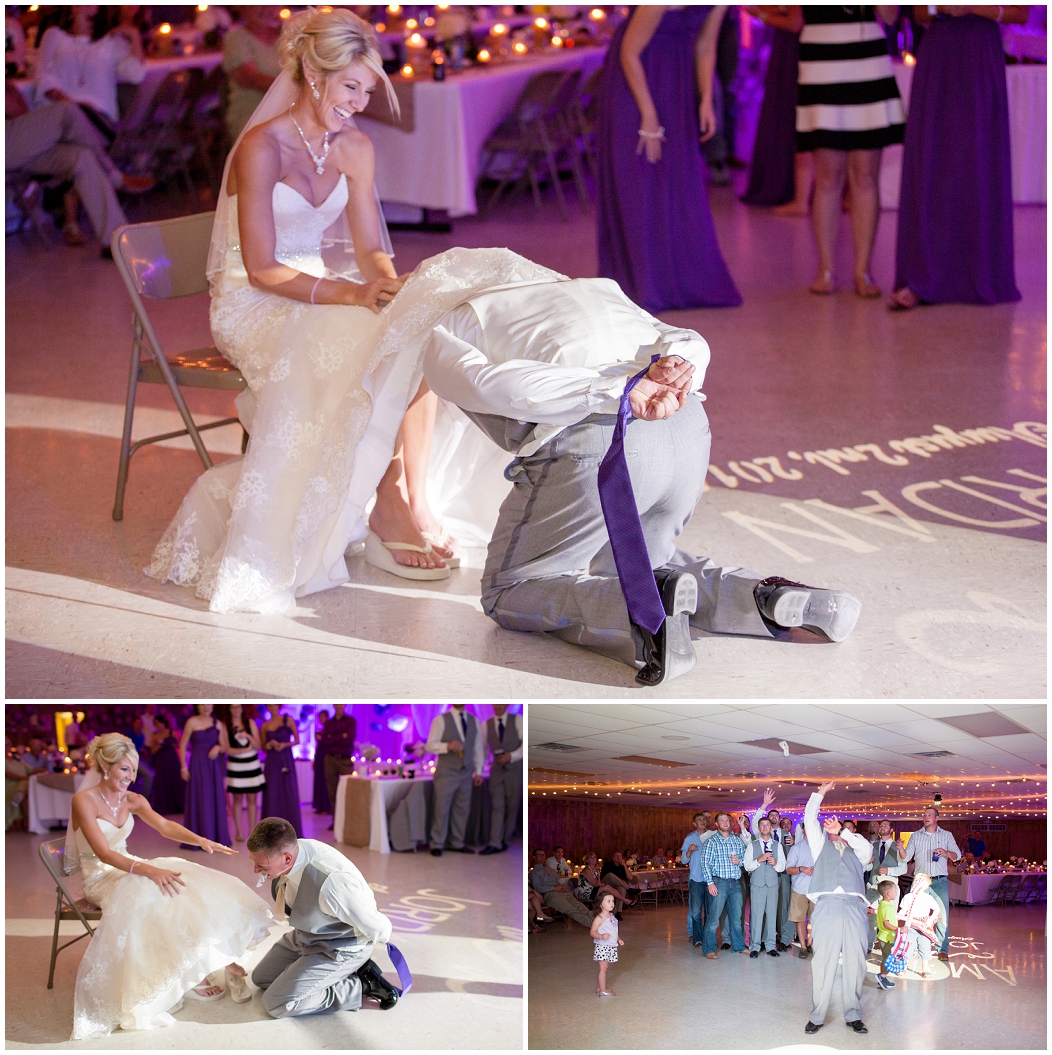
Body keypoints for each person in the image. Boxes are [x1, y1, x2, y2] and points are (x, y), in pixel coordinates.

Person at [148, 8, 491, 615]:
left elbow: (369, 249)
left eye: (366, 89)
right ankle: (387, 501)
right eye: (349, 87)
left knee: (415, 324)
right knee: (371, 331)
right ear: (311, 71)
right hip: (254, 301)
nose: (358, 103)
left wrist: (385, 284)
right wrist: (357, 295)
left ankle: (412, 497)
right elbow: (260, 270)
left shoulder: (356, 148)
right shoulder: (261, 147)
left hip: (319, 285)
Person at [422, 275, 862, 687]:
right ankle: (769, 597)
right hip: (688, 426)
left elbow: (486, 383)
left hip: (604, 440)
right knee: (632, 561)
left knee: (512, 589)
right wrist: (676, 370)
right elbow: (687, 343)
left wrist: (609, 389)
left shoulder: (456, 319)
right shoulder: (598, 290)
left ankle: (646, 611)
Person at [66, 733, 273, 1040]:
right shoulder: (83, 801)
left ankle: (203, 959)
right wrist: (149, 871)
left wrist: (201, 840)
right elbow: (104, 854)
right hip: (100, 876)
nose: (131, 777)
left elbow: (164, 826)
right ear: (104, 765)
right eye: (124, 769)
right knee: (156, 890)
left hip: (130, 865)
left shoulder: (133, 800)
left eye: (134, 770)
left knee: (184, 881)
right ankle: (183, 972)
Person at [595, 5, 742, 312]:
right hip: (636, 82)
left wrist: (705, 100)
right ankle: (642, 284)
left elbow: (705, 46)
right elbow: (629, 52)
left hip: (676, 82)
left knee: (677, 178)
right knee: (639, 179)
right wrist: (648, 115)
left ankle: (681, 279)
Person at [890, 5, 1026, 310]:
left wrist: (973, 7)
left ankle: (981, 273)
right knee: (932, 164)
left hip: (980, 54)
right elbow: (919, 14)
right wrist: (940, 7)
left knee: (976, 162)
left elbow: (1021, 13)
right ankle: (921, 277)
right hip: (938, 55)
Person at [794, 5, 904, 297]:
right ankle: (826, 270)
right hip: (820, 59)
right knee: (828, 176)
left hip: (867, 57)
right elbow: (790, 15)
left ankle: (863, 272)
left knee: (866, 173)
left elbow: (891, 16)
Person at [246, 816, 399, 1017]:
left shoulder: (333, 885)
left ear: (287, 858)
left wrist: (351, 953)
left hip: (338, 946)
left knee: (276, 1003)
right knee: (261, 978)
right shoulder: (293, 850)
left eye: (262, 866)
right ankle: (326, 974)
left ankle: (360, 985)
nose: (256, 870)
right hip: (306, 935)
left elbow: (379, 928)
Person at [4, 86, 150, 250]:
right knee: (67, 111)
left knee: (81, 157)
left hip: (13, 147)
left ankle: (115, 240)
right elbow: (16, 109)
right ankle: (114, 175)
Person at [802, 779, 873, 1036]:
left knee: (856, 961)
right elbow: (810, 820)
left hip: (854, 906)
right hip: (827, 906)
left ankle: (853, 1014)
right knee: (823, 960)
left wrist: (844, 832)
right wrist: (820, 793)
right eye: (834, 828)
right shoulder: (821, 846)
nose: (839, 831)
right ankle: (818, 1015)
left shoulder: (861, 851)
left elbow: (865, 846)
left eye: (846, 829)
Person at [34, 4, 146, 137]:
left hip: (98, 117)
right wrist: (71, 104)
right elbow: (43, 75)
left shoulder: (109, 42)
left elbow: (136, 74)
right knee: (75, 151)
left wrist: (134, 35)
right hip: (62, 114)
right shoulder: (54, 35)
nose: (86, 6)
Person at [741, 6, 812, 213]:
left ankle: (799, 197)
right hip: (793, 49)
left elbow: (795, 22)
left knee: (794, 120)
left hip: (794, 51)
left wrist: (761, 15)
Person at [424, 704, 484, 855]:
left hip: (466, 772)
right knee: (441, 808)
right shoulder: (440, 720)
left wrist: (478, 771)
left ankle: (456, 842)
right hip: (446, 772)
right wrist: (447, 746)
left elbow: (477, 748)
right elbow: (429, 746)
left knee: (462, 809)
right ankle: (437, 843)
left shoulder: (474, 720)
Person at [902, 806, 960, 961]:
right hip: (920, 881)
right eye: (924, 815)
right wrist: (900, 848)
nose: (926, 817)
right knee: (916, 915)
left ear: (936, 818)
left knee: (942, 916)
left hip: (940, 880)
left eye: (929, 815)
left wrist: (947, 853)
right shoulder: (915, 836)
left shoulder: (947, 835)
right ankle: (915, 946)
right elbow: (906, 857)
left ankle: (942, 949)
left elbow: (957, 855)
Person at [222, 5, 283, 142]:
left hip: (289, 117)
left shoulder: (288, 37)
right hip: (254, 117)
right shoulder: (236, 38)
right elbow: (249, 78)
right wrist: (298, 89)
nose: (267, 7)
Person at [178, 704, 231, 848]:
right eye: (202, 704)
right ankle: (198, 839)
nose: (206, 706)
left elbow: (226, 746)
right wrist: (183, 767)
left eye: (208, 703)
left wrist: (218, 747)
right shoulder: (192, 722)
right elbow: (183, 745)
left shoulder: (218, 723)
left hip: (213, 767)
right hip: (197, 765)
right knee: (199, 798)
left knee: (213, 798)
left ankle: (215, 837)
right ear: (197, 706)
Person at [700, 811, 748, 958]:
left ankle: (739, 946)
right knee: (714, 918)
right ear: (717, 824)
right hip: (719, 882)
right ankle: (709, 949)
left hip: (735, 883)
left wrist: (740, 861)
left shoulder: (737, 840)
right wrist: (710, 883)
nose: (726, 823)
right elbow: (704, 864)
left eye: (727, 820)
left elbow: (746, 858)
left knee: (736, 918)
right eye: (722, 820)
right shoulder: (711, 841)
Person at [218, 703, 265, 842]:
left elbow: (258, 746)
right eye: (233, 707)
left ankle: (252, 832)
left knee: (252, 799)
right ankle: (239, 832)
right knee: (237, 800)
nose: (237, 710)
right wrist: (243, 750)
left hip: (252, 764)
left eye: (238, 707)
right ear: (229, 709)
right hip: (235, 765)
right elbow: (226, 748)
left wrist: (248, 736)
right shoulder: (225, 725)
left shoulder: (250, 723)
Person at [480, 704, 522, 855]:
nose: (497, 706)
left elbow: (525, 744)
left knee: (512, 805)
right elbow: (483, 749)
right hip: (497, 770)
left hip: (516, 769)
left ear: (506, 704)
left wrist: (512, 755)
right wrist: (479, 770)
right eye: (495, 703)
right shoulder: (486, 725)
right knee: (497, 805)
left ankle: (505, 839)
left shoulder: (518, 720)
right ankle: (495, 843)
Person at [745, 815, 786, 957]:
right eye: (762, 825)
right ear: (759, 827)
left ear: (770, 827)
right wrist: (759, 859)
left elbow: (782, 866)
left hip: (773, 884)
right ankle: (755, 946)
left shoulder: (778, 845)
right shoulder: (752, 845)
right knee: (756, 915)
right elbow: (747, 866)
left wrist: (775, 863)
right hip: (757, 885)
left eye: (767, 825)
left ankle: (770, 946)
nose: (764, 827)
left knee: (772, 914)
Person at [260, 705, 303, 837]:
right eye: (269, 704)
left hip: (286, 759)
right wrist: (270, 744)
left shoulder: (287, 720)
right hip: (272, 761)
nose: (272, 706)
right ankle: (271, 831)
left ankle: (291, 829)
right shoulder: (265, 725)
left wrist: (284, 744)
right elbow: (263, 747)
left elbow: (297, 740)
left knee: (289, 791)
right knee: (272, 792)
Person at [529, 848, 595, 928]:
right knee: (572, 910)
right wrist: (554, 888)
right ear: (534, 857)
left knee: (580, 906)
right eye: (539, 855)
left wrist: (561, 886)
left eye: (543, 855)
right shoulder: (534, 873)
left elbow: (558, 880)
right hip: (550, 895)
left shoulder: (549, 869)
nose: (542, 857)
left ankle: (598, 921)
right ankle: (594, 925)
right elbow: (538, 888)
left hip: (562, 892)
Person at [896, 872, 943, 979]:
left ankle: (925, 967)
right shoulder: (908, 897)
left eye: (922, 882)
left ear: (926, 886)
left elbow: (937, 909)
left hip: (924, 928)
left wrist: (930, 920)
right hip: (910, 926)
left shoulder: (928, 898)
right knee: (907, 946)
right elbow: (904, 910)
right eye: (917, 881)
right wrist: (898, 916)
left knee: (925, 947)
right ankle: (904, 965)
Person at [866, 819, 906, 945]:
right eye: (881, 825)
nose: (883, 827)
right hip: (873, 886)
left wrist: (888, 870)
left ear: (891, 830)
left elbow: (903, 869)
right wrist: (867, 864)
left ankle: (890, 944)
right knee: (869, 916)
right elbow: (868, 868)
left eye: (886, 826)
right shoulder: (872, 846)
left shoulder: (897, 846)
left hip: (890, 889)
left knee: (889, 917)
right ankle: (869, 944)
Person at [682, 812, 715, 947]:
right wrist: (689, 851)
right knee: (696, 911)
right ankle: (697, 939)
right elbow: (684, 859)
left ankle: (707, 937)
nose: (702, 821)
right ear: (695, 824)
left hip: (711, 880)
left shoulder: (713, 836)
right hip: (696, 880)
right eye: (699, 820)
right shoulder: (690, 838)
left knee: (709, 910)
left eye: (704, 819)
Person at [319, 704, 356, 820]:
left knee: (349, 791)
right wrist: (341, 736)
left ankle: (348, 819)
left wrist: (333, 737)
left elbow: (349, 740)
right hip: (330, 759)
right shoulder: (329, 723)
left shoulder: (350, 721)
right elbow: (325, 741)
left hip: (345, 759)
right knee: (332, 792)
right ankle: (336, 821)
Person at [783, 827, 814, 957]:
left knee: (815, 920)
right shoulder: (797, 848)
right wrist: (801, 868)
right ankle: (802, 946)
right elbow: (788, 869)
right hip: (800, 889)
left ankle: (810, 944)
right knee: (799, 919)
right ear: (802, 830)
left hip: (816, 890)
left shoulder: (821, 847)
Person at [148, 713, 184, 815]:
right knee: (163, 782)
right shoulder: (155, 736)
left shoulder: (173, 733)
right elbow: (152, 751)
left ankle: (178, 805)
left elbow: (180, 744)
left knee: (175, 781)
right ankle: (164, 807)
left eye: (159, 723)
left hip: (172, 759)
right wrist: (158, 747)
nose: (158, 725)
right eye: (156, 724)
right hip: (161, 760)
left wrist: (173, 744)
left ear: (164, 723)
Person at [591, 892, 624, 997]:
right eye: (608, 901)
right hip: (603, 946)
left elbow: (614, 930)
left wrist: (618, 939)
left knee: (606, 967)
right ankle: (603, 991)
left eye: (613, 901)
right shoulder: (599, 918)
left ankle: (600, 987)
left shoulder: (611, 916)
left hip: (611, 946)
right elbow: (592, 932)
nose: (612, 903)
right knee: (603, 968)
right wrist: (601, 936)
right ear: (601, 904)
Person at [873, 878, 899, 990]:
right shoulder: (887, 907)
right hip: (888, 938)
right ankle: (881, 976)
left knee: (885, 958)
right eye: (895, 891)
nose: (896, 893)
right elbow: (886, 923)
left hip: (883, 937)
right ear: (888, 894)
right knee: (889, 959)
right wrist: (899, 929)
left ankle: (882, 980)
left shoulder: (882, 904)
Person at [312, 708, 331, 813]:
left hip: (327, 757)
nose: (321, 719)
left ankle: (327, 806)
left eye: (323, 717)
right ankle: (320, 806)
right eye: (320, 717)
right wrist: (315, 759)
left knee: (326, 781)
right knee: (319, 781)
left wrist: (322, 739)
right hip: (319, 757)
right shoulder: (321, 731)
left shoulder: (330, 731)